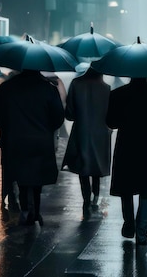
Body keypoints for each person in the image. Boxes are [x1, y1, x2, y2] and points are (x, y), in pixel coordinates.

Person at [0, 69, 65, 226]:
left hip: (16, 139)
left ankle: (25, 208)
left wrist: (9, 129)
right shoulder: (48, 89)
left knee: (22, 176)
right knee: (37, 177)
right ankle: (36, 209)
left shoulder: (7, 88)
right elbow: (58, 117)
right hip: (41, 140)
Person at [106, 77, 147, 245]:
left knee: (126, 187)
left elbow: (110, 121)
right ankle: (142, 230)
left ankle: (128, 223)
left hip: (126, 145)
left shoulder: (117, 94)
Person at [61, 67, 111, 219]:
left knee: (84, 167)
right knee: (96, 167)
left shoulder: (76, 84)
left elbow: (69, 114)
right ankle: (95, 198)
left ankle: (86, 200)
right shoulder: (106, 89)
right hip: (101, 133)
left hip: (81, 131)